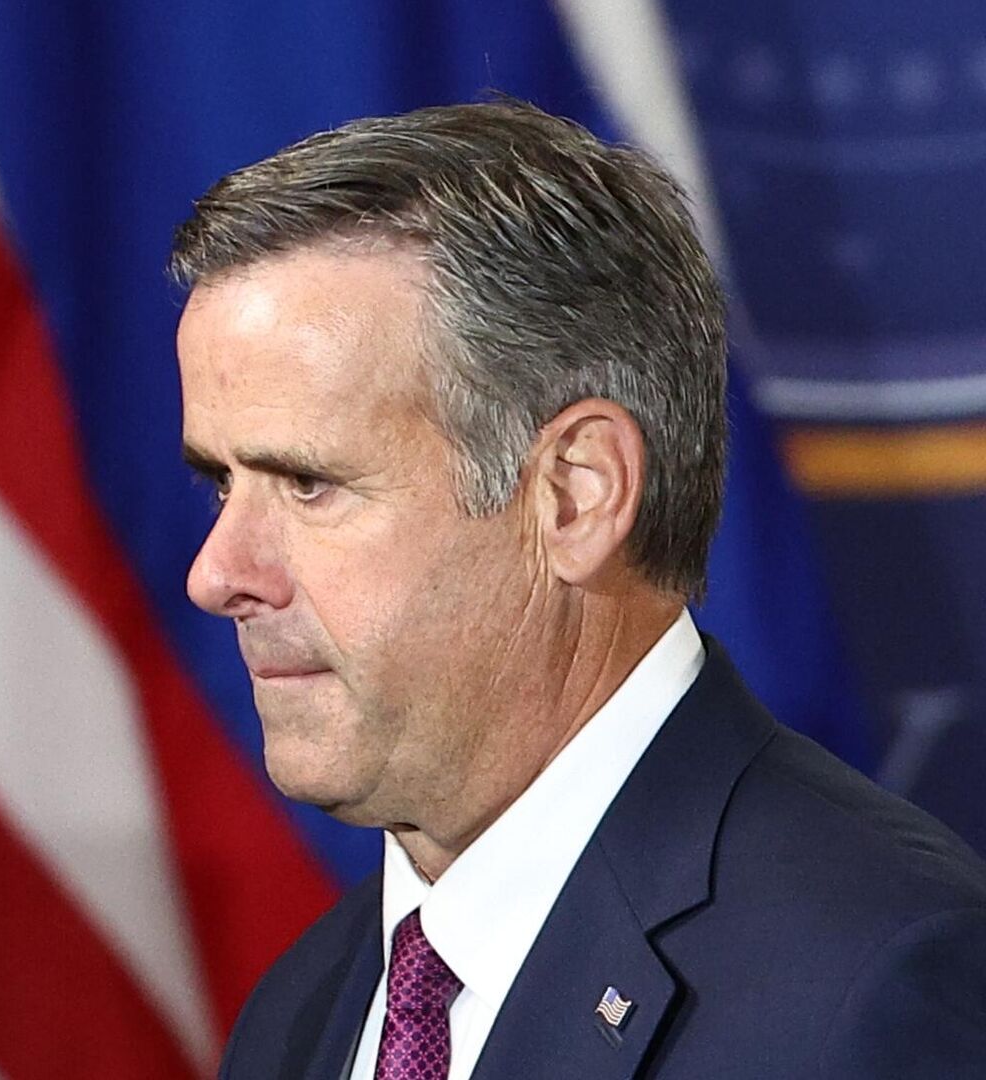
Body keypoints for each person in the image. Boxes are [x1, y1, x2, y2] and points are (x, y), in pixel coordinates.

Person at [169, 101, 986, 1079]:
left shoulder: (873, 988)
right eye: (220, 484)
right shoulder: (301, 1014)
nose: (216, 574)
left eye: (309, 483)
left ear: (576, 494)